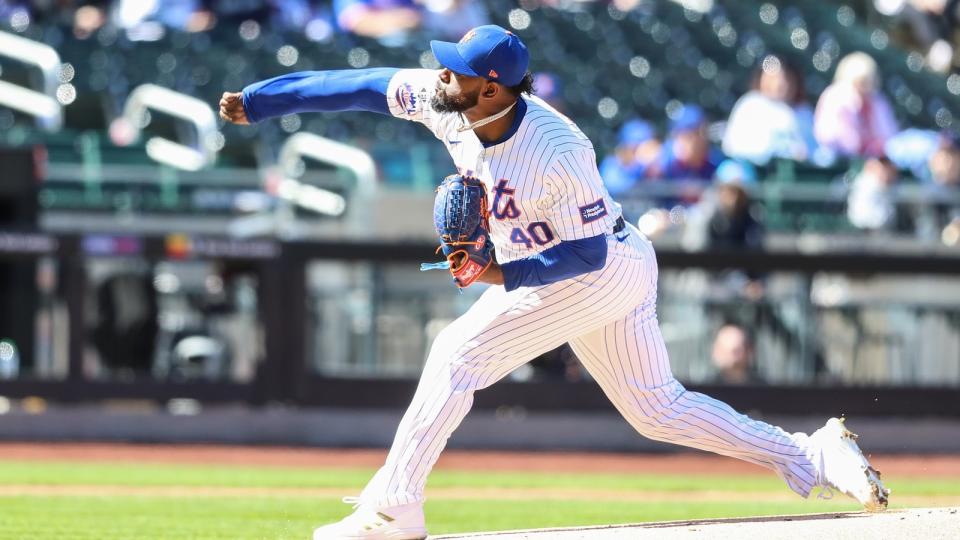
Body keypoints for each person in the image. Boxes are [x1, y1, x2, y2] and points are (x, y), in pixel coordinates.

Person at [220, 25, 889, 540]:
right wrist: (262, 102)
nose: (438, 72)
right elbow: (359, 87)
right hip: (600, 266)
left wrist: (497, 272)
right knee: (657, 410)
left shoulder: (556, 148)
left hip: (595, 267)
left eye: (454, 67)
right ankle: (811, 456)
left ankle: (395, 508)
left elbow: (586, 254)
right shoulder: (446, 99)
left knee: (457, 354)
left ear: (491, 87)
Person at [722, 55, 817, 165]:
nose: (780, 83)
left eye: (786, 78)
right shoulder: (750, 105)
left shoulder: (804, 112)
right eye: (774, 78)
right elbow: (734, 147)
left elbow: (818, 152)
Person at [813, 52, 898, 159]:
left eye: (869, 81)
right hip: (836, 156)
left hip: (870, 158)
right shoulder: (836, 96)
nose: (866, 86)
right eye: (861, 82)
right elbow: (829, 136)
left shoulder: (877, 100)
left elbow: (889, 135)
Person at [599, 118, 660, 195]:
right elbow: (611, 187)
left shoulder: (654, 164)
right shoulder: (611, 164)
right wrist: (638, 168)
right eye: (635, 148)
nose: (639, 152)